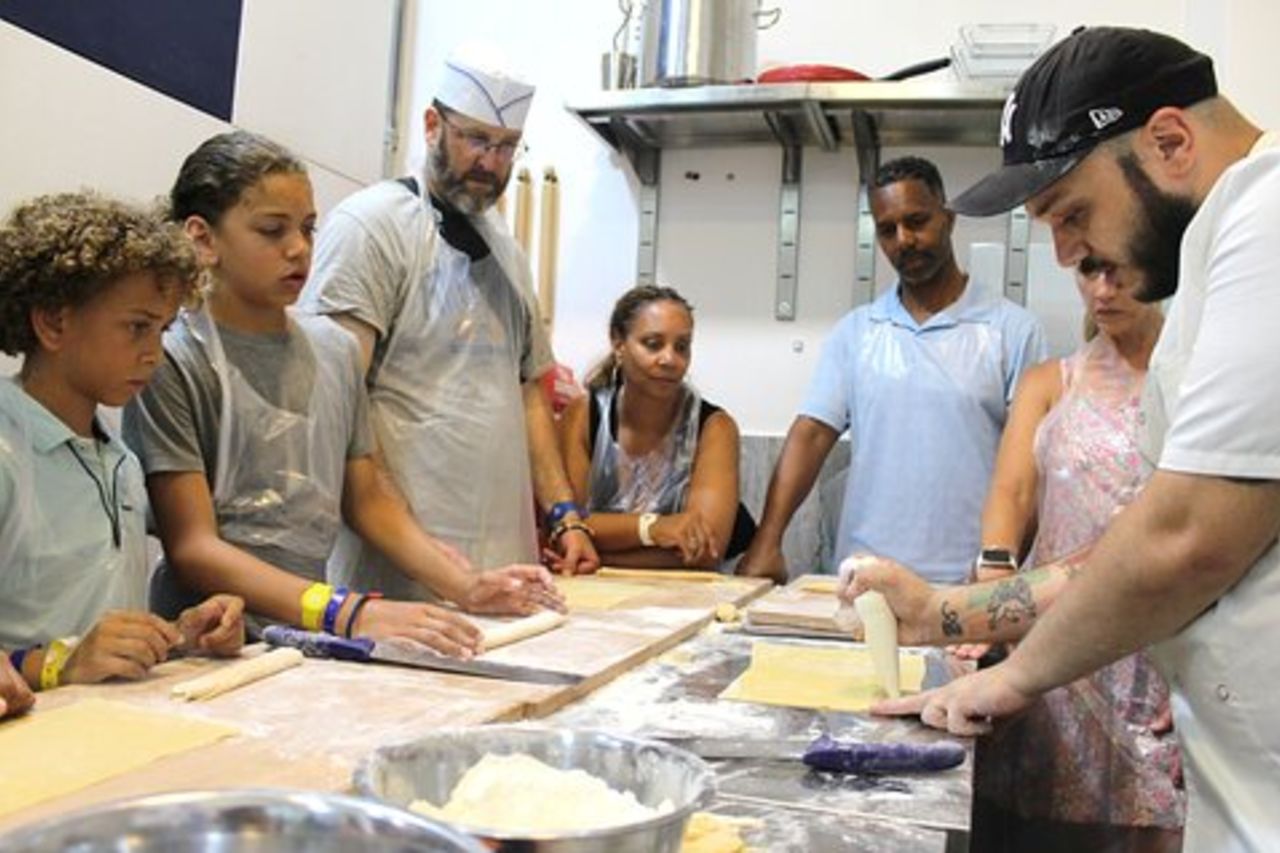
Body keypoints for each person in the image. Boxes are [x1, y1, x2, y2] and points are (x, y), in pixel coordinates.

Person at [844, 27, 1280, 850]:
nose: (1067, 252)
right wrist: (945, 611)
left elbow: (1188, 538)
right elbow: (1136, 537)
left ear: (1170, 141)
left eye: (1073, 213)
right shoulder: (1220, 252)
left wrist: (1018, 675)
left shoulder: (1270, 215)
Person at [124, 132, 562, 659]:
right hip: (208, 638)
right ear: (203, 239)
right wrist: (347, 611)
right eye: (272, 230)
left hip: (306, 630)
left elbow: (367, 499)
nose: (299, 248)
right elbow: (194, 547)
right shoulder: (171, 357)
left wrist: (465, 586)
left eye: (307, 228)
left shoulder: (332, 352)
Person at [300, 46, 599, 586]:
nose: (491, 163)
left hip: (502, 554)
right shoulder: (371, 228)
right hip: (397, 561)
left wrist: (564, 514)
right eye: (476, 139)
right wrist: (420, 551)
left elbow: (529, 394)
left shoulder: (507, 253)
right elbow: (337, 399)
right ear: (432, 125)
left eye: (506, 147)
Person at [738, 156, 1046, 584]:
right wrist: (766, 542)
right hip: (862, 578)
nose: (904, 240)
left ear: (949, 218)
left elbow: (1031, 469)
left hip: (964, 585)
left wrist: (1001, 566)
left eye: (917, 221)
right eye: (887, 229)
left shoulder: (1012, 330)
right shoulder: (857, 332)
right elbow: (811, 435)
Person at [969, 263, 1182, 850]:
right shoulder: (1050, 383)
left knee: (1152, 828)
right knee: (1036, 826)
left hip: (1157, 659)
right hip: (1052, 650)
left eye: (1122, 271)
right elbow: (1010, 497)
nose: (1104, 290)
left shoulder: (1192, 385)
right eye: (1090, 271)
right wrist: (989, 603)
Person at [0, 192, 245, 693]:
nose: (154, 353)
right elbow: (69, 658)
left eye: (163, 329)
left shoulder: (121, 461)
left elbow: (94, 642)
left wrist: (178, 637)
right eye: (137, 327)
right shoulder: (8, 452)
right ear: (53, 323)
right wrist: (58, 664)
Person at [558, 285, 756, 569]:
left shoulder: (715, 428)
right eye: (653, 344)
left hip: (704, 585)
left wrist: (597, 554)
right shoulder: (583, 415)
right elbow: (569, 525)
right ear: (618, 343)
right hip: (604, 584)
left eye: (682, 347)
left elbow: (704, 553)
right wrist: (653, 528)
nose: (669, 359)